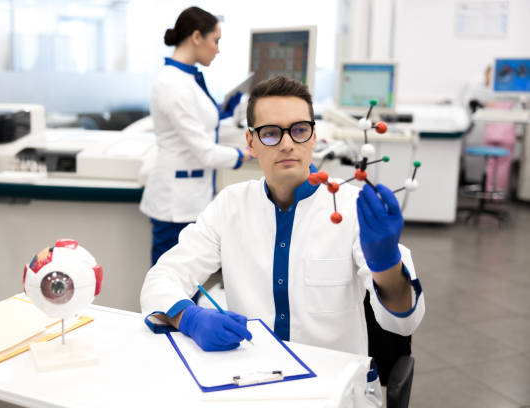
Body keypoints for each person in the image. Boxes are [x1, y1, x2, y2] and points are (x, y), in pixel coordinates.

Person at [140, 76, 424, 406]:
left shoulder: (352, 207)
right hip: (251, 384)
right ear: (251, 142)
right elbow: (162, 278)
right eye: (271, 133)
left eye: (299, 130)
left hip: (338, 392)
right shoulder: (230, 205)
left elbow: (403, 322)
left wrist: (386, 263)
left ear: (314, 135)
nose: (287, 144)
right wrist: (188, 317)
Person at [140, 6, 251, 266]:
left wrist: (223, 112)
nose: (218, 49)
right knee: (172, 282)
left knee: (189, 278)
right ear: (197, 37)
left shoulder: (186, 79)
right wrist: (245, 153)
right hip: (175, 204)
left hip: (189, 198)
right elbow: (203, 150)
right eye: (216, 40)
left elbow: (198, 122)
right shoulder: (173, 84)